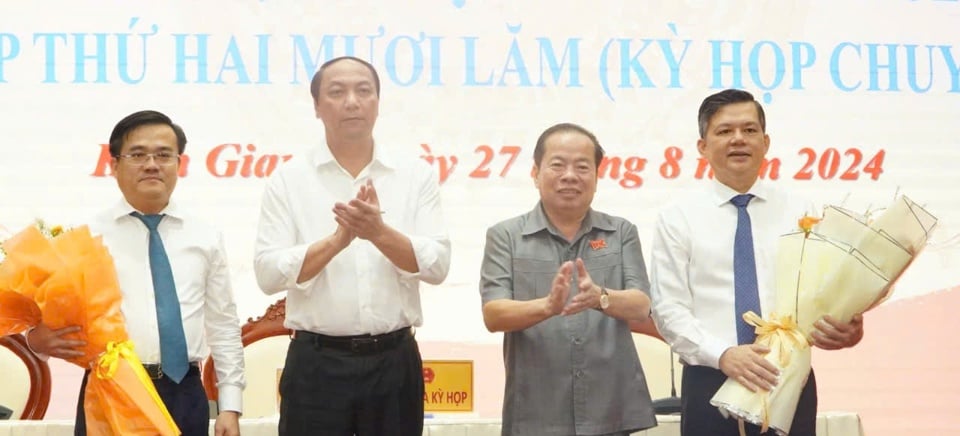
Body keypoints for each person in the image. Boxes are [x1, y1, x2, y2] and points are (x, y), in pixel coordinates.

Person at [253, 56, 451, 436]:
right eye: (337, 92)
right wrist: (337, 241)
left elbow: (438, 265)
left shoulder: (415, 173)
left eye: (364, 90)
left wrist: (378, 232)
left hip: (394, 362)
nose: (352, 101)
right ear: (316, 106)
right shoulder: (289, 178)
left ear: (378, 101)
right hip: (316, 365)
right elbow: (267, 272)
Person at [649, 89, 865, 436]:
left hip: (788, 375)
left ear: (765, 143)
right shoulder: (677, 218)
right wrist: (723, 354)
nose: (738, 139)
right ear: (702, 146)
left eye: (749, 131)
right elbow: (668, 308)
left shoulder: (802, 211)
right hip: (710, 377)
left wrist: (846, 324)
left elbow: (823, 293)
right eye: (724, 131)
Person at [27, 110, 246, 436]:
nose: (152, 164)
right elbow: (49, 325)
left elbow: (224, 323)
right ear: (114, 165)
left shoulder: (205, 236)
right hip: (110, 389)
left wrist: (230, 404)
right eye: (138, 154)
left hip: (183, 391)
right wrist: (36, 342)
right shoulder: (87, 237)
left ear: (179, 164)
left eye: (163, 155)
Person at [479, 123, 657, 436]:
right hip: (536, 410)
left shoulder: (621, 233)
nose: (570, 176)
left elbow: (641, 306)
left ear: (597, 176)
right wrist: (547, 307)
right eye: (557, 165)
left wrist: (601, 297)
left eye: (582, 166)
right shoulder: (505, 236)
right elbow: (494, 315)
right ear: (535, 173)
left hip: (610, 409)